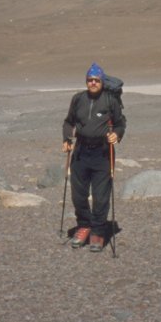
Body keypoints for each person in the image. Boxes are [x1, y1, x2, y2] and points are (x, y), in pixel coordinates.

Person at [62, 62, 126, 252]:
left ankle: (98, 231)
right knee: (78, 195)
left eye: (96, 80)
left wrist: (117, 135)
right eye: (89, 80)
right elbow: (68, 122)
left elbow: (120, 123)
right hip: (81, 152)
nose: (93, 83)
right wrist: (66, 138)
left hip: (102, 153)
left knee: (101, 196)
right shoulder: (78, 99)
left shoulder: (110, 100)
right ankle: (84, 226)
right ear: (86, 81)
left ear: (102, 81)